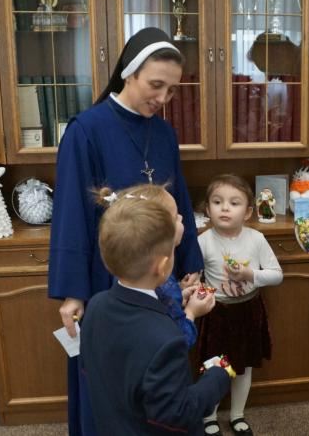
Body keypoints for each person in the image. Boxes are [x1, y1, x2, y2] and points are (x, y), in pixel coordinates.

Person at [48, 27, 203, 436]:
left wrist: (190, 261)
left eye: (172, 90)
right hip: (106, 278)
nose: (163, 98)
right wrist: (72, 292)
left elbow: (180, 200)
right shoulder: (86, 130)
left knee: (156, 373)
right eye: (156, 85)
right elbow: (70, 214)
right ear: (129, 73)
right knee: (108, 382)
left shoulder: (164, 132)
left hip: (158, 274)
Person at [81, 183, 230, 435]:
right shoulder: (167, 339)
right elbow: (179, 413)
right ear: (162, 267)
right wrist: (217, 376)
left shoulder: (95, 307)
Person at [196, 174, 283, 436]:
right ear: (207, 209)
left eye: (234, 203)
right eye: (217, 202)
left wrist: (249, 275)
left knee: (243, 367)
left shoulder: (256, 238)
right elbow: (196, 279)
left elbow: (277, 275)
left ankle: (237, 415)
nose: (225, 208)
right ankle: (209, 416)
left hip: (249, 311)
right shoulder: (203, 241)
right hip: (216, 313)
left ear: (247, 212)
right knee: (214, 366)